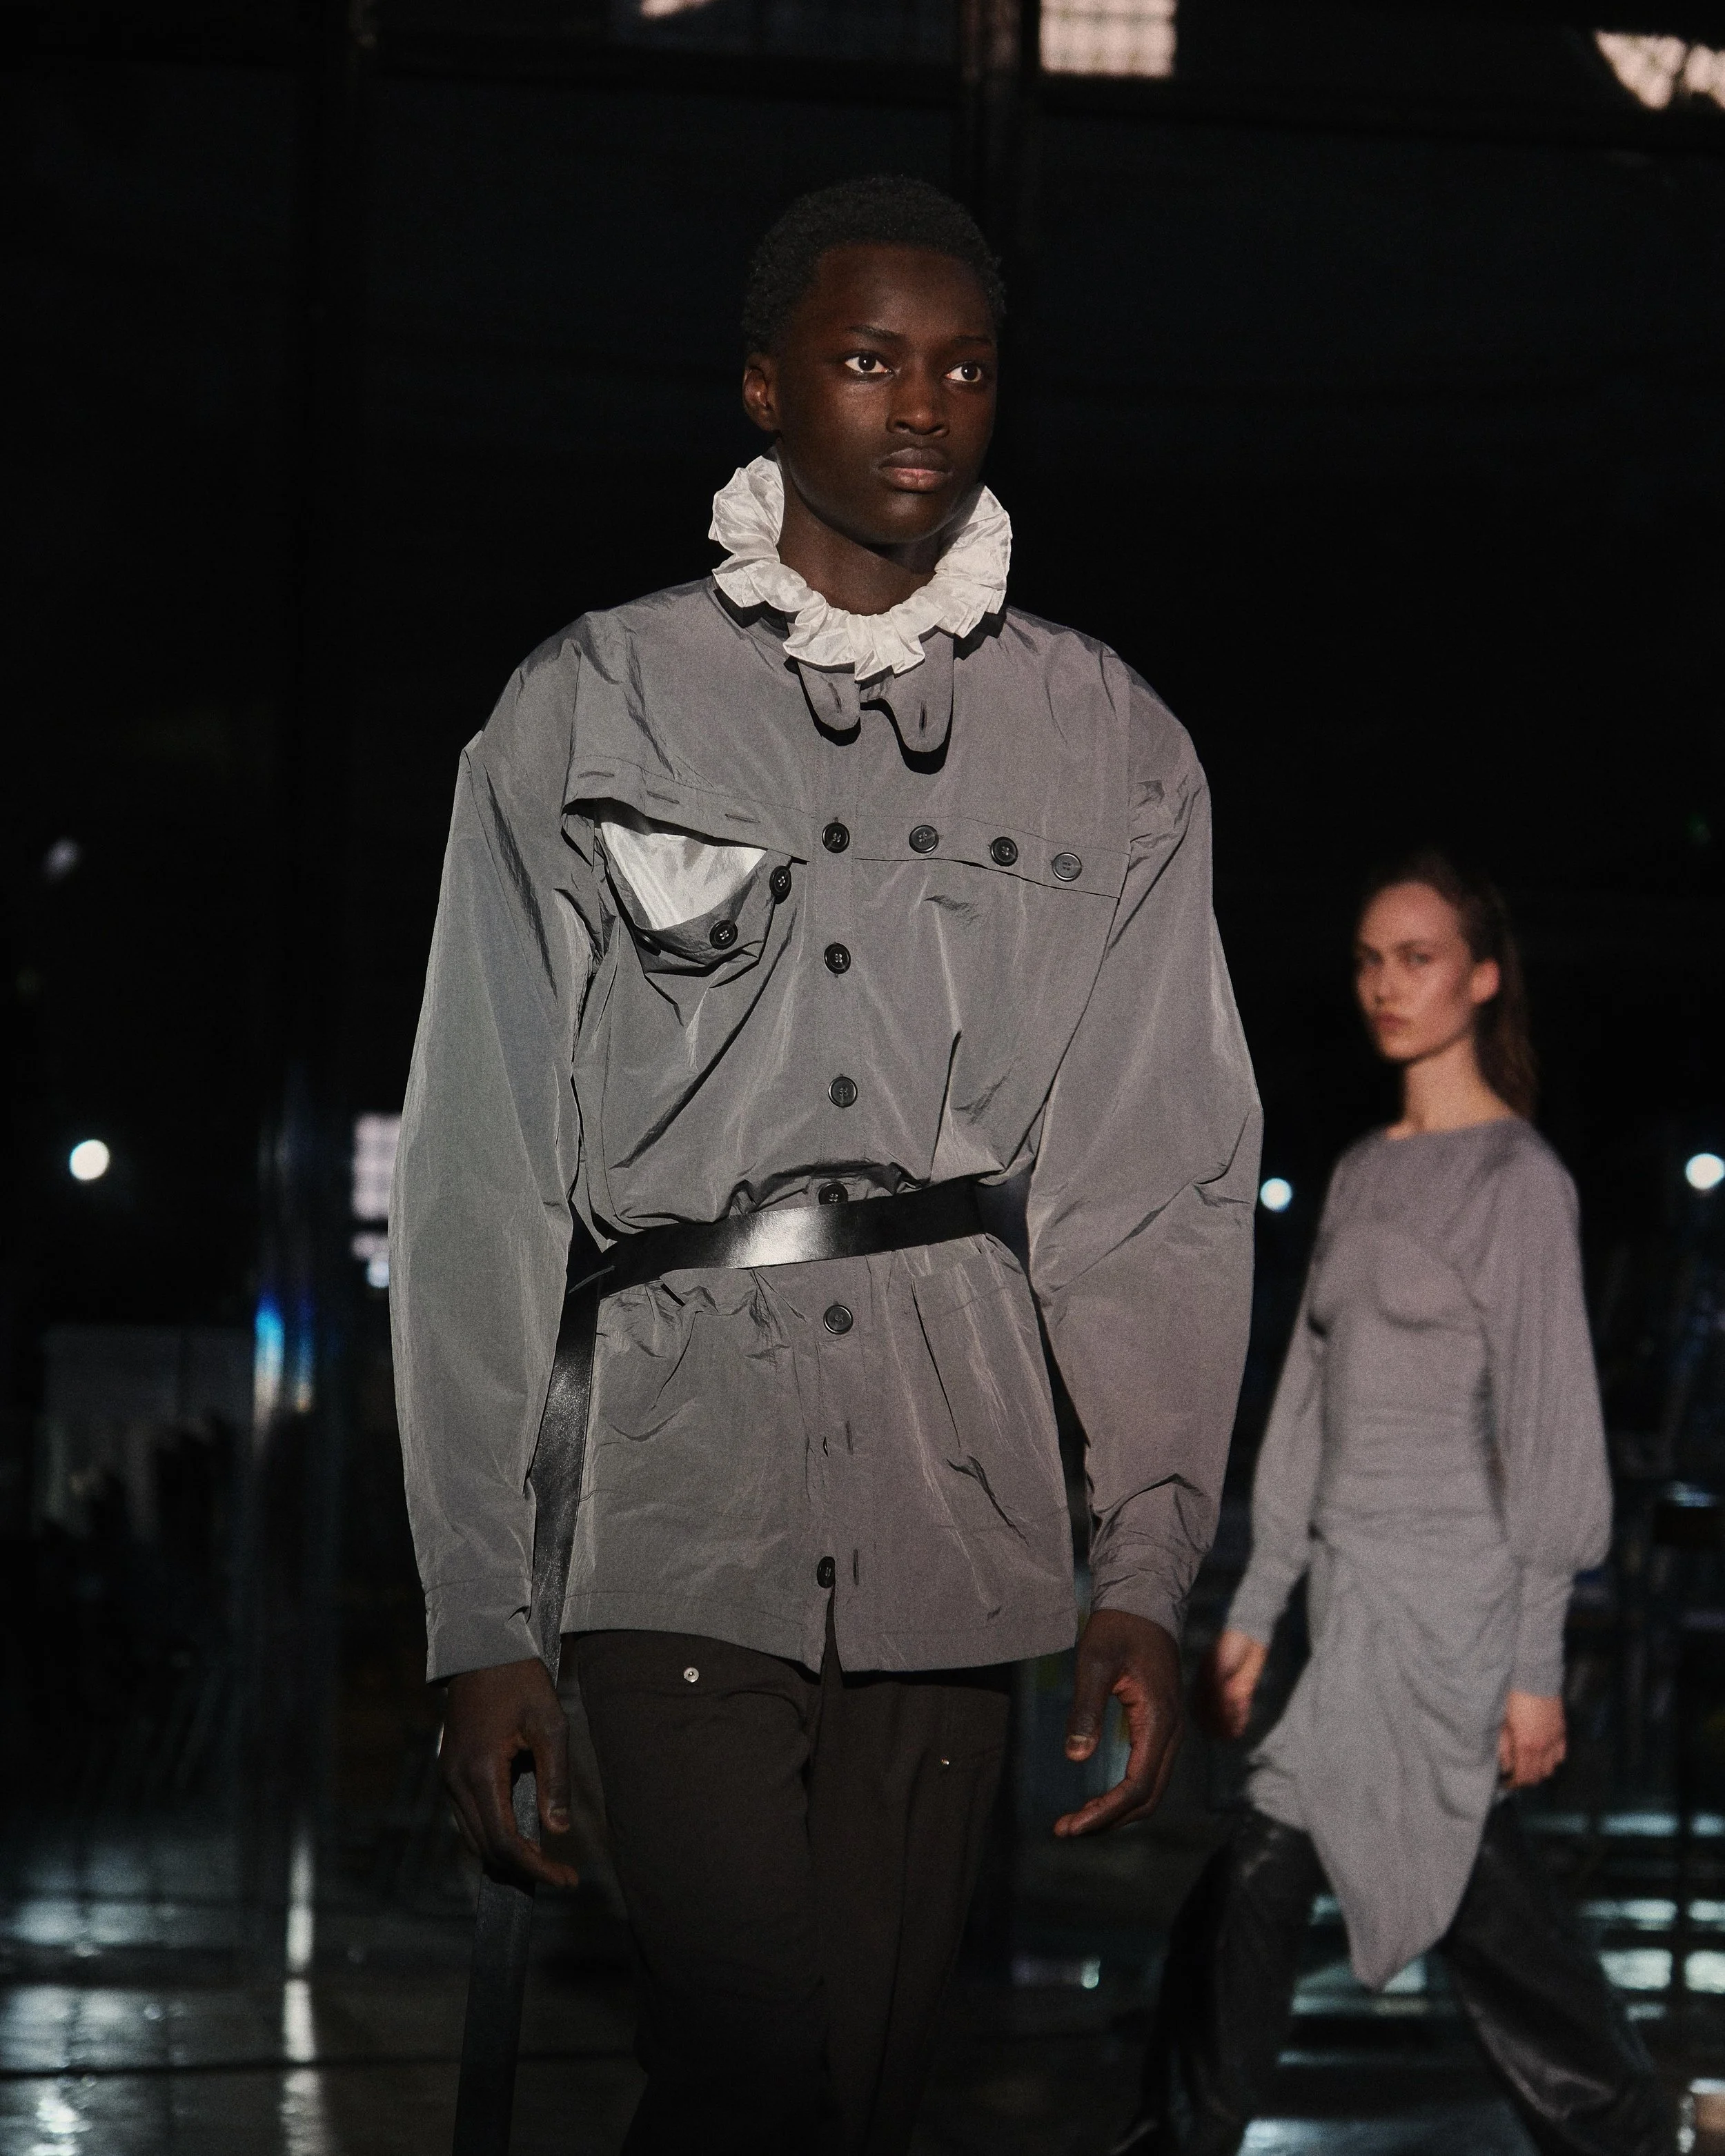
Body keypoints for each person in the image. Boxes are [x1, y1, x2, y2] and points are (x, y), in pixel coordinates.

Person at [391, 172, 1261, 2153]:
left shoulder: (1110, 743)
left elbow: (1152, 1186)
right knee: (751, 2064)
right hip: (668, 1490)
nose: (921, 404)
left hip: (960, 1512)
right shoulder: (588, 703)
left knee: (862, 2088)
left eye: (963, 365)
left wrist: (1142, 1563)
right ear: (765, 385)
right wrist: (474, 1612)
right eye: (869, 358)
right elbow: (477, 1172)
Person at [1111, 851, 1672, 2156]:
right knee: (1320, 1874)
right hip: (1351, 1602)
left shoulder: (1517, 1183)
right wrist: (1258, 1608)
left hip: (1454, 1611)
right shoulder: (1364, 1172)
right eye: (1370, 960)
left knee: (1425, 1885)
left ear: (1482, 979)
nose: (1386, 985)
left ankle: (1625, 2136)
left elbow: (1551, 1434)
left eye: (1417, 958)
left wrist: (1536, 1667)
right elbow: (1306, 1414)